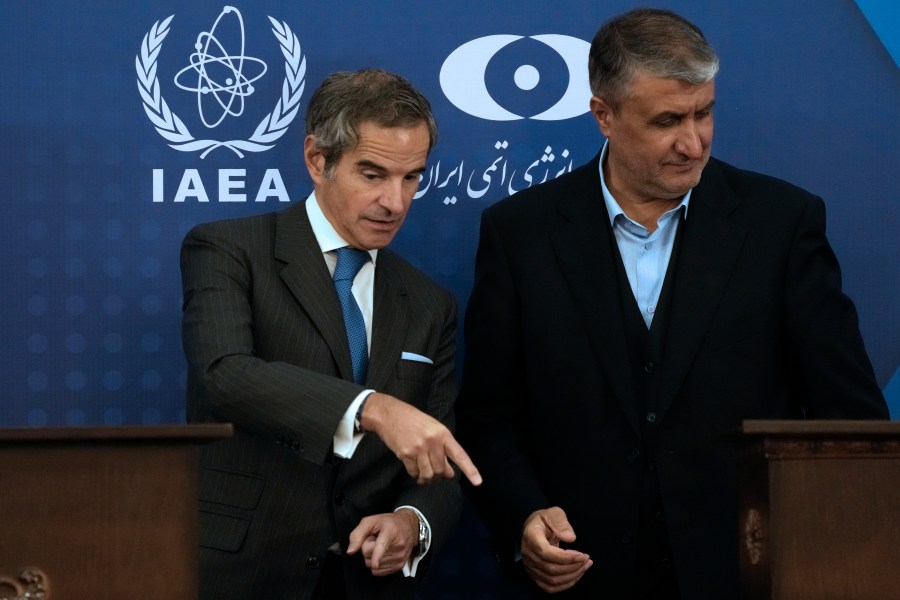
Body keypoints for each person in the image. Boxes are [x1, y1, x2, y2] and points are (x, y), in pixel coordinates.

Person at [456, 8, 888, 599]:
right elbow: (488, 416)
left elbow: (850, 425)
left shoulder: (781, 225)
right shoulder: (519, 235)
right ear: (603, 116)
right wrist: (524, 516)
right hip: (581, 579)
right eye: (667, 121)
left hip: (747, 576)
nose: (693, 142)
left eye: (704, 114)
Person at [181, 68, 481, 600]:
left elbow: (438, 454)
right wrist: (375, 408)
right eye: (373, 174)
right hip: (242, 574)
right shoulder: (229, 250)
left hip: (364, 583)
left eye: (411, 177)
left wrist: (412, 521)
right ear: (318, 160)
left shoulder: (430, 303)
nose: (396, 202)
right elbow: (224, 374)